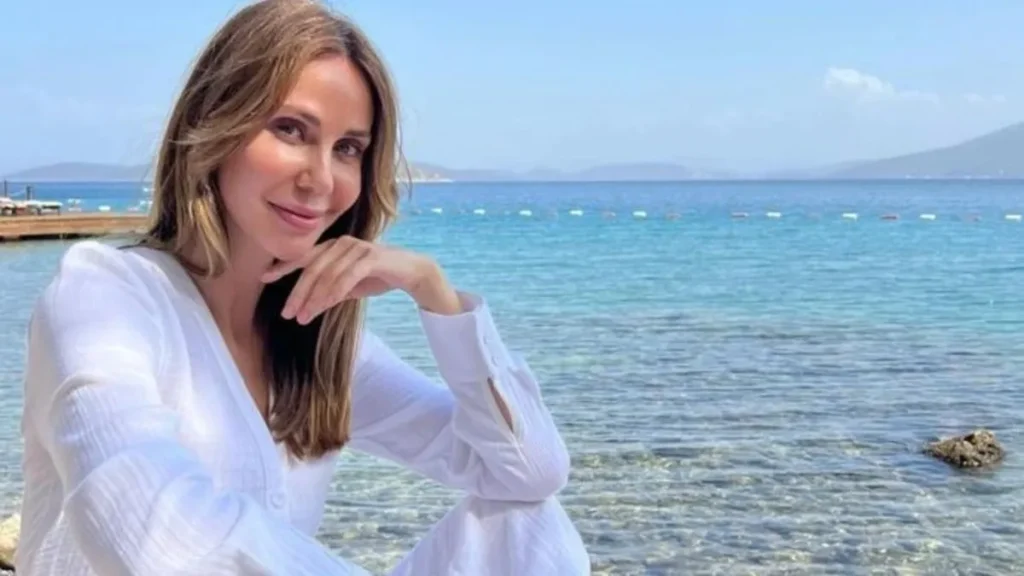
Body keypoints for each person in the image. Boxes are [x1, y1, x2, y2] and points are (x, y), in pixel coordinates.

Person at [15, 1, 590, 574]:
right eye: (290, 130)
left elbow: (528, 472)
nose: (320, 179)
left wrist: (436, 295)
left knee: (525, 522)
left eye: (348, 149)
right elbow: (148, 527)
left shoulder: (316, 341)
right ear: (214, 126)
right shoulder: (106, 297)